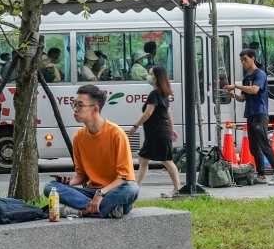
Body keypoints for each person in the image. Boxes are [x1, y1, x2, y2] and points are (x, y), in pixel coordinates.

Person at [42, 84, 140, 218]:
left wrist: (101, 194)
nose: (75, 109)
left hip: (113, 191)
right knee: (50, 187)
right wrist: (68, 182)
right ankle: (104, 209)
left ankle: (84, 210)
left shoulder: (116, 134)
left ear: (95, 109)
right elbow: (82, 175)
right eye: (74, 105)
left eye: (80, 105)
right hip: (91, 193)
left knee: (132, 189)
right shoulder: (79, 137)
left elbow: (124, 178)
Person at [223, 48, 274, 185]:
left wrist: (236, 86)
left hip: (260, 113)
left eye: (245, 59)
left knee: (263, 144)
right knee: (253, 147)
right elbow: (243, 98)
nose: (243, 62)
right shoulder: (246, 78)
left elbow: (255, 90)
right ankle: (261, 175)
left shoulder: (259, 74)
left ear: (253, 58)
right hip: (250, 114)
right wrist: (233, 95)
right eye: (241, 60)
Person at [129, 66, 180, 198]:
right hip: (156, 132)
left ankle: (177, 188)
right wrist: (172, 128)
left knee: (166, 160)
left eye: (150, 74)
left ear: (157, 77)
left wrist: (135, 125)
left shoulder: (155, 94)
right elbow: (168, 112)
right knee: (143, 158)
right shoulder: (162, 93)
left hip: (158, 132)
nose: (148, 76)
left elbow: (148, 112)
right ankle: (135, 187)